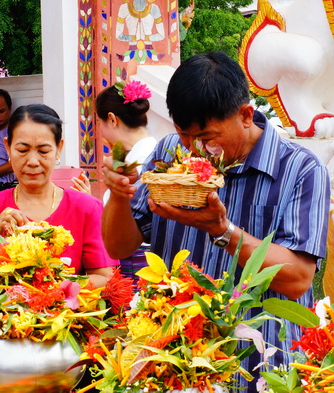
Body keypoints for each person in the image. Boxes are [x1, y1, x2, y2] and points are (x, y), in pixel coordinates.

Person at [101, 52, 330, 391]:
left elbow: (298, 278)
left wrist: (222, 231)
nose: (194, 149)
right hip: (177, 365)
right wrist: (119, 194)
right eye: (183, 134)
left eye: (207, 137)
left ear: (246, 116)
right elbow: (119, 245)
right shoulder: (167, 154)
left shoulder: (300, 170)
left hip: (261, 368)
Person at [0, 104, 118, 288]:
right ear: (7, 147)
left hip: (68, 314)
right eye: (22, 150)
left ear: (59, 148)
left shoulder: (87, 208)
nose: (33, 162)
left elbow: (105, 277)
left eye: (43, 151)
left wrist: (50, 289)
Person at [95, 81, 157, 286]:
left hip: (139, 273)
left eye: (100, 124)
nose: (101, 133)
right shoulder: (157, 153)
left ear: (111, 119)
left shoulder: (138, 163)